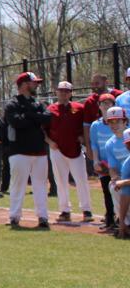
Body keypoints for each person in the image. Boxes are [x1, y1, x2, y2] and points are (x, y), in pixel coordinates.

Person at [5, 72, 52, 229]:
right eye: (34, 83)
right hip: (19, 152)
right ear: (24, 84)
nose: (37, 85)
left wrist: (29, 116)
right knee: (18, 185)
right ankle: (14, 216)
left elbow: (47, 118)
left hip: (39, 151)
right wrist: (34, 117)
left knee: (40, 186)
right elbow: (17, 122)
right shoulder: (12, 104)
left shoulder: (38, 103)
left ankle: (43, 217)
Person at [45, 81, 93, 223]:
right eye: (61, 91)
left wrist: (83, 139)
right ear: (56, 92)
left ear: (71, 93)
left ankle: (86, 209)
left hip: (76, 149)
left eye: (67, 91)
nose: (64, 93)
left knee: (81, 179)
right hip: (57, 149)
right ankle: (65, 210)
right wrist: (49, 141)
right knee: (60, 181)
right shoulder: (50, 109)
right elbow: (42, 129)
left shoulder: (79, 108)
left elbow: (86, 126)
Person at [89, 95, 118, 230]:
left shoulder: (120, 123)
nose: (107, 106)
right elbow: (94, 145)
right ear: (99, 106)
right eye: (103, 103)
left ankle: (121, 219)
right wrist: (95, 161)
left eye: (110, 103)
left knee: (119, 191)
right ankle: (110, 219)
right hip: (104, 164)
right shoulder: (95, 125)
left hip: (117, 164)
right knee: (107, 192)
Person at [100, 107, 129, 236]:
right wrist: (115, 178)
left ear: (125, 122)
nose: (114, 125)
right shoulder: (110, 144)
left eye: (117, 121)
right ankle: (126, 223)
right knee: (113, 186)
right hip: (124, 178)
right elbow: (112, 167)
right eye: (111, 122)